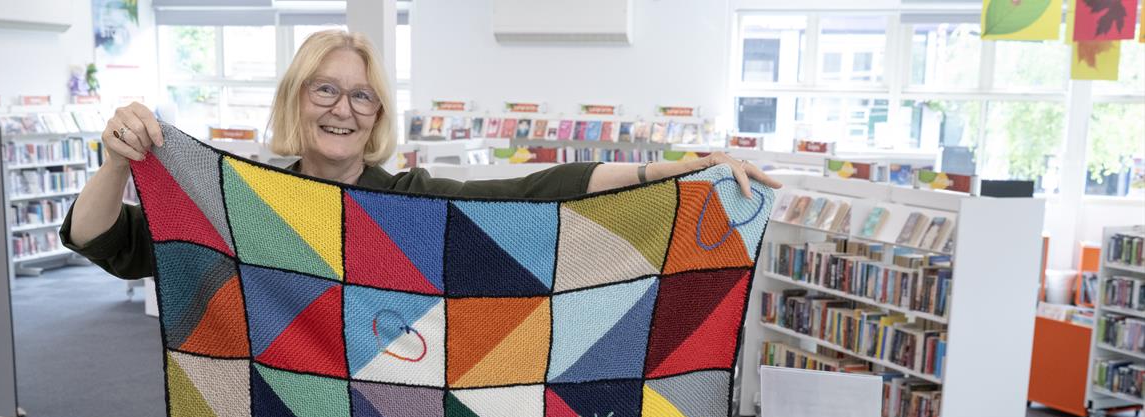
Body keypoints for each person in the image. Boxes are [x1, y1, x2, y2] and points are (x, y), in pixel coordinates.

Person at [62, 30, 781, 280]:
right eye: (325, 89)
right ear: (295, 99)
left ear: (378, 115)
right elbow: (106, 241)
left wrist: (675, 169)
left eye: (362, 97)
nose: (343, 109)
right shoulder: (248, 206)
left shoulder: (410, 202)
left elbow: (538, 192)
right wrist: (118, 160)